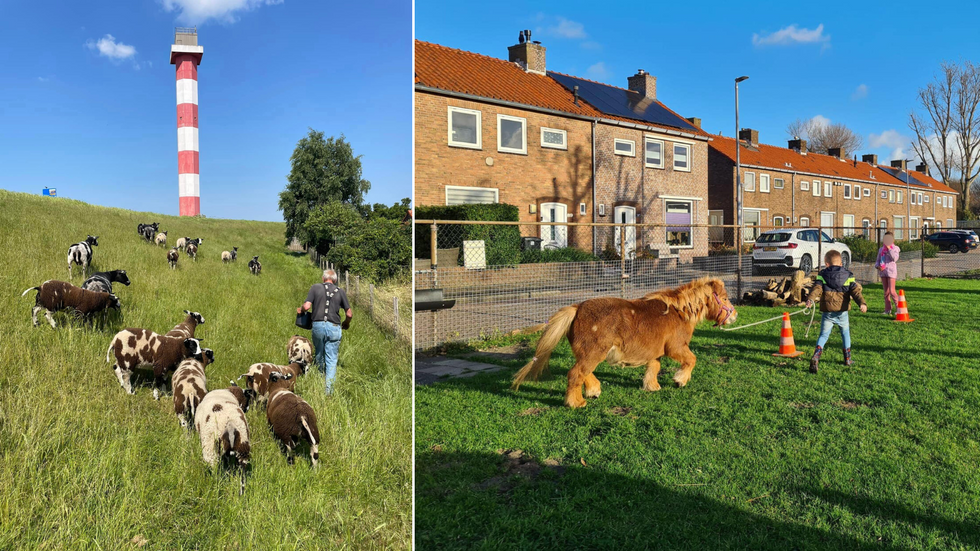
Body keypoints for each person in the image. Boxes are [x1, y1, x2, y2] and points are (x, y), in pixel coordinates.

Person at [805, 250, 868, 374]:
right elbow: (855, 292)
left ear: (826, 263)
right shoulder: (848, 276)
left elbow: (816, 289)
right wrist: (862, 303)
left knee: (823, 335)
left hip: (828, 312)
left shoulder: (822, 275)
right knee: (845, 334)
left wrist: (810, 300)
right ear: (841, 263)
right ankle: (848, 359)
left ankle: (816, 356)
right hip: (842, 312)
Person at [298, 269, 352, 394]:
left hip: (318, 325)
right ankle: (329, 391)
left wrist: (301, 310)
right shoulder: (340, 291)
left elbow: (306, 306)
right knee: (332, 359)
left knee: (319, 353)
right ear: (335, 280)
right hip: (334, 326)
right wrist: (346, 323)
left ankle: (319, 379)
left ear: (323, 279)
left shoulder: (315, 287)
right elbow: (349, 313)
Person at [875, 231, 900, 316]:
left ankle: (899, 309)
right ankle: (887, 309)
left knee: (892, 292)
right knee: (886, 292)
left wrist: (889, 249)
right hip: (883, 273)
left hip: (891, 272)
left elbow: (894, 258)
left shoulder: (895, 249)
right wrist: (878, 266)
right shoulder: (881, 249)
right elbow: (878, 260)